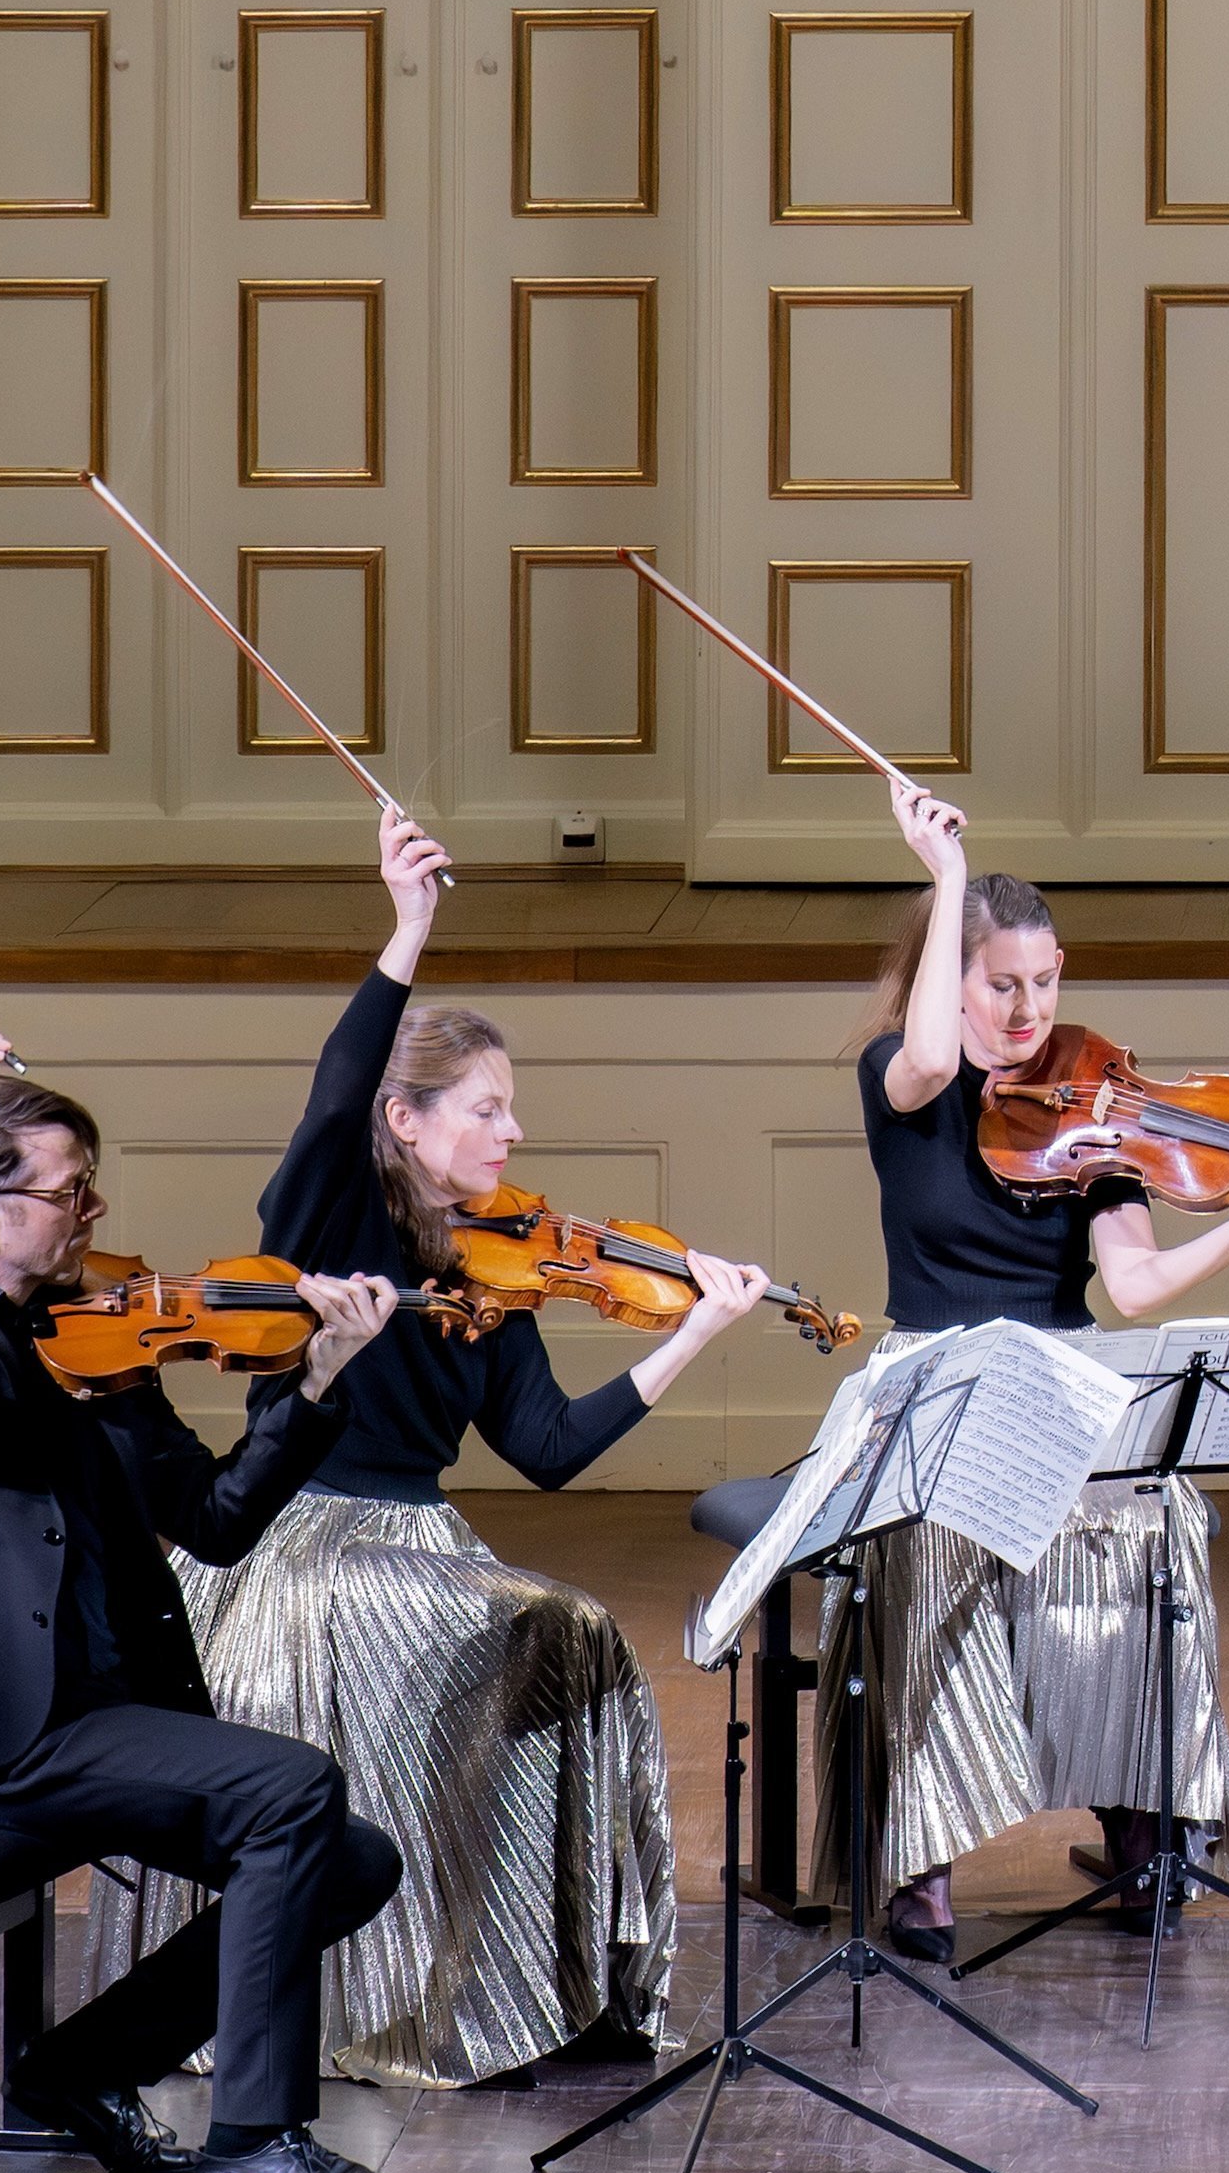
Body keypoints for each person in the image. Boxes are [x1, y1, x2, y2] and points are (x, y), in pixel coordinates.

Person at [83, 812, 777, 2086]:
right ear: (405, 1119)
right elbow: (337, 1088)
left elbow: (549, 1448)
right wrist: (408, 929)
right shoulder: (331, 1209)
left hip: (418, 1545)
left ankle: (522, 1989)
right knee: (550, 1623)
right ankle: (364, 2005)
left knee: (574, 1638)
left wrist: (693, 1333)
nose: (513, 1135)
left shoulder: (492, 1267)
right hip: (302, 1545)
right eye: (489, 1110)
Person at [0, 1009, 431, 2173]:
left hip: (96, 1709)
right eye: (69, 1194)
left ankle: (79, 2069)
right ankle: (257, 2141)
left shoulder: (98, 1341)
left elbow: (215, 1520)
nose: (94, 1214)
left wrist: (314, 1383)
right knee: (294, 1791)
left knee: (352, 1860)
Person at [838, 766, 1229, 1959]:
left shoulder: (1096, 1102)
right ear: (953, 982)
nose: (1028, 1009)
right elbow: (930, 1054)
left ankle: (1141, 1822)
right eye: (1000, 984)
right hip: (939, 1375)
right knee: (933, 1543)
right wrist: (946, 876)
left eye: (1044, 981)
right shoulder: (900, 1077)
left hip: (1062, 1374)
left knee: (1155, 1522)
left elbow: (1135, 1288)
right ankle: (921, 1854)